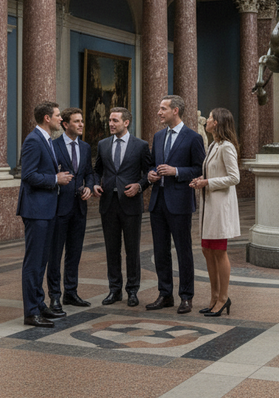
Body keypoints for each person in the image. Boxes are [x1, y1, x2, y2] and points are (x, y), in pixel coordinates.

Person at [17, 101, 74, 328]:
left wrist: (55, 174)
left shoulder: (46, 139)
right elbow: (28, 175)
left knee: (42, 261)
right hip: (36, 209)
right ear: (47, 118)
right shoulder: (33, 140)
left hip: (47, 208)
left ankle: (40, 305)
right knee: (33, 262)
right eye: (59, 116)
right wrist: (55, 179)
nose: (62, 119)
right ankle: (31, 312)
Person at [147, 94, 205, 314]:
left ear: (176, 111)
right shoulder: (158, 136)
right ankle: (165, 294)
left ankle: (186, 296)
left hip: (179, 202)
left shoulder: (193, 138)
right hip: (158, 202)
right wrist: (152, 174)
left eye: (163, 108)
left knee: (183, 251)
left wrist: (176, 171)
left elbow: (199, 168)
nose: (159, 112)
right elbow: (153, 165)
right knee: (160, 251)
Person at [93, 107, 151, 306]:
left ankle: (132, 291)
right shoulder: (102, 145)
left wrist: (140, 186)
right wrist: (93, 183)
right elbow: (96, 170)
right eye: (110, 120)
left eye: (115, 120)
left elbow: (148, 173)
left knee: (132, 250)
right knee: (112, 249)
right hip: (108, 204)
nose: (110, 123)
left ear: (126, 123)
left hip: (131, 204)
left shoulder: (141, 146)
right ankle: (114, 290)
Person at [190, 107, 240, 317]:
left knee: (219, 251)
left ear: (217, 123)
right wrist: (200, 181)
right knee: (207, 250)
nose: (206, 121)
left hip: (220, 206)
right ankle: (213, 297)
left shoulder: (227, 147)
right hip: (209, 205)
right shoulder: (213, 145)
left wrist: (208, 182)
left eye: (209, 118)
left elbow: (234, 177)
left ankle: (223, 298)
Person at [46, 107, 95, 312]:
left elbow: (90, 173)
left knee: (74, 253)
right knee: (55, 255)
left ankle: (71, 293)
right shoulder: (53, 146)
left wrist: (90, 187)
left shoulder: (85, 147)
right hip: (59, 208)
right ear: (65, 124)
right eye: (76, 121)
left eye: (82, 121)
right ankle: (55, 296)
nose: (81, 124)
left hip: (79, 208)